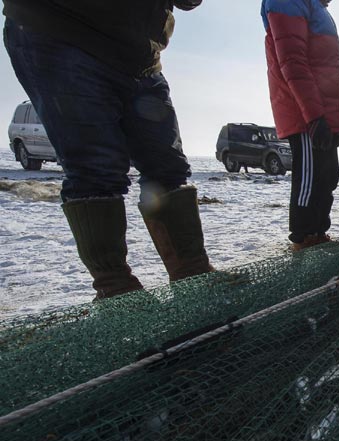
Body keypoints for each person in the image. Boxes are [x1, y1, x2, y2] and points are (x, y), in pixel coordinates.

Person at [2, 0, 214, 299]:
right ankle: (116, 289)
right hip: (62, 29)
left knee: (168, 167)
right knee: (96, 167)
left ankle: (192, 273)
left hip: (139, 53)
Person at [262, 0, 339, 251]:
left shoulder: (320, 10)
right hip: (305, 115)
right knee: (310, 178)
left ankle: (319, 232)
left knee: (328, 175)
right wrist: (314, 117)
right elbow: (293, 61)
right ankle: (303, 238)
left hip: (324, 114)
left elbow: (330, 72)